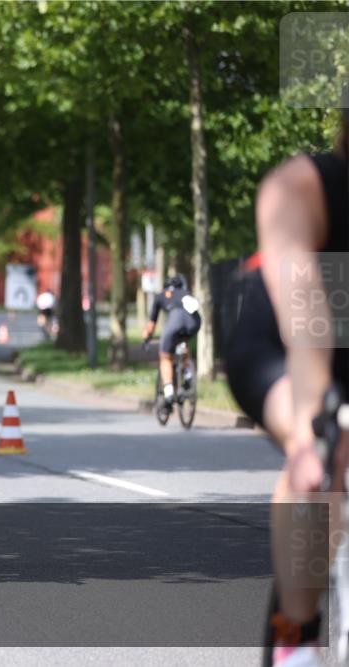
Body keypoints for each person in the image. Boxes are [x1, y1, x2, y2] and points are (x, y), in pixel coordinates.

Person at [225, 113, 349, 665]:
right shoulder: (302, 186)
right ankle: (295, 637)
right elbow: (306, 322)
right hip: (281, 344)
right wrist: (317, 416)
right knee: (325, 448)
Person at [142, 274, 201, 405]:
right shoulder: (186, 293)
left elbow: (152, 323)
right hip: (194, 322)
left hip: (175, 322)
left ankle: (168, 393)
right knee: (183, 343)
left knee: (165, 357)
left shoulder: (161, 296)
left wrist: (146, 337)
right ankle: (188, 375)